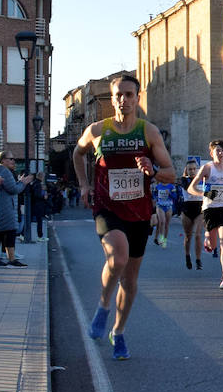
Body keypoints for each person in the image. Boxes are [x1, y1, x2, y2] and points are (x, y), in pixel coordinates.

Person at [73, 74, 176, 359]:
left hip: (139, 213)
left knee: (130, 282)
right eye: (119, 95)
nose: (124, 100)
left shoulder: (148, 132)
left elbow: (171, 174)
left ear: (137, 98)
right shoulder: (97, 130)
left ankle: (118, 332)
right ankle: (103, 306)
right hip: (108, 209)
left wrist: (152, 170)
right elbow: (77, 153)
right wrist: (84, 184)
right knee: (117, 257)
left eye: (129, 95)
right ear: (112, 98)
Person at [189, 140, 223, 289]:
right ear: (211, 153)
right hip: (210, 208)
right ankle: (208, 240)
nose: (221, 153)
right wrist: (206, 193)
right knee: (213, 244)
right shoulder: (207, 168)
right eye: (217, 150)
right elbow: (191, 188)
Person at [0, 152, 32, 266]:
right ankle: (11, 259)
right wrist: (23, 183)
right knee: (10, 232)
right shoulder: (5, 172)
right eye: (11, 159)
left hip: (0, 205)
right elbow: (13, 189)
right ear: (3, 160)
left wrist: (19, 182)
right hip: (7, 207)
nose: (13, 161)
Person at [179, 158, 204, 269]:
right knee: (188, 236)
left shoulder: (203, 180)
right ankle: (187, 256)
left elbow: (211, 190)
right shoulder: (184, 180)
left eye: (194, 169)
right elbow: (189, 189)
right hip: (187, 210)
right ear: (187, 170)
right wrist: (206, 193)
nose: (192, 171)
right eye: (190, 169)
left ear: (197, 169)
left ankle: (198, 260)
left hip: (199, 210)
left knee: (198, 235)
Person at [151, 171, 179, 248]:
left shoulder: (171, 187)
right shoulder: (158, 186)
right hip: (160, 206)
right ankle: (160, 238)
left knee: (166, 224)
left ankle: (164, 240)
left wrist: (170, 193)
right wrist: (155, 200)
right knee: (162, 222)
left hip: (169, 206)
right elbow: (154, 195)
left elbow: (175, 197)